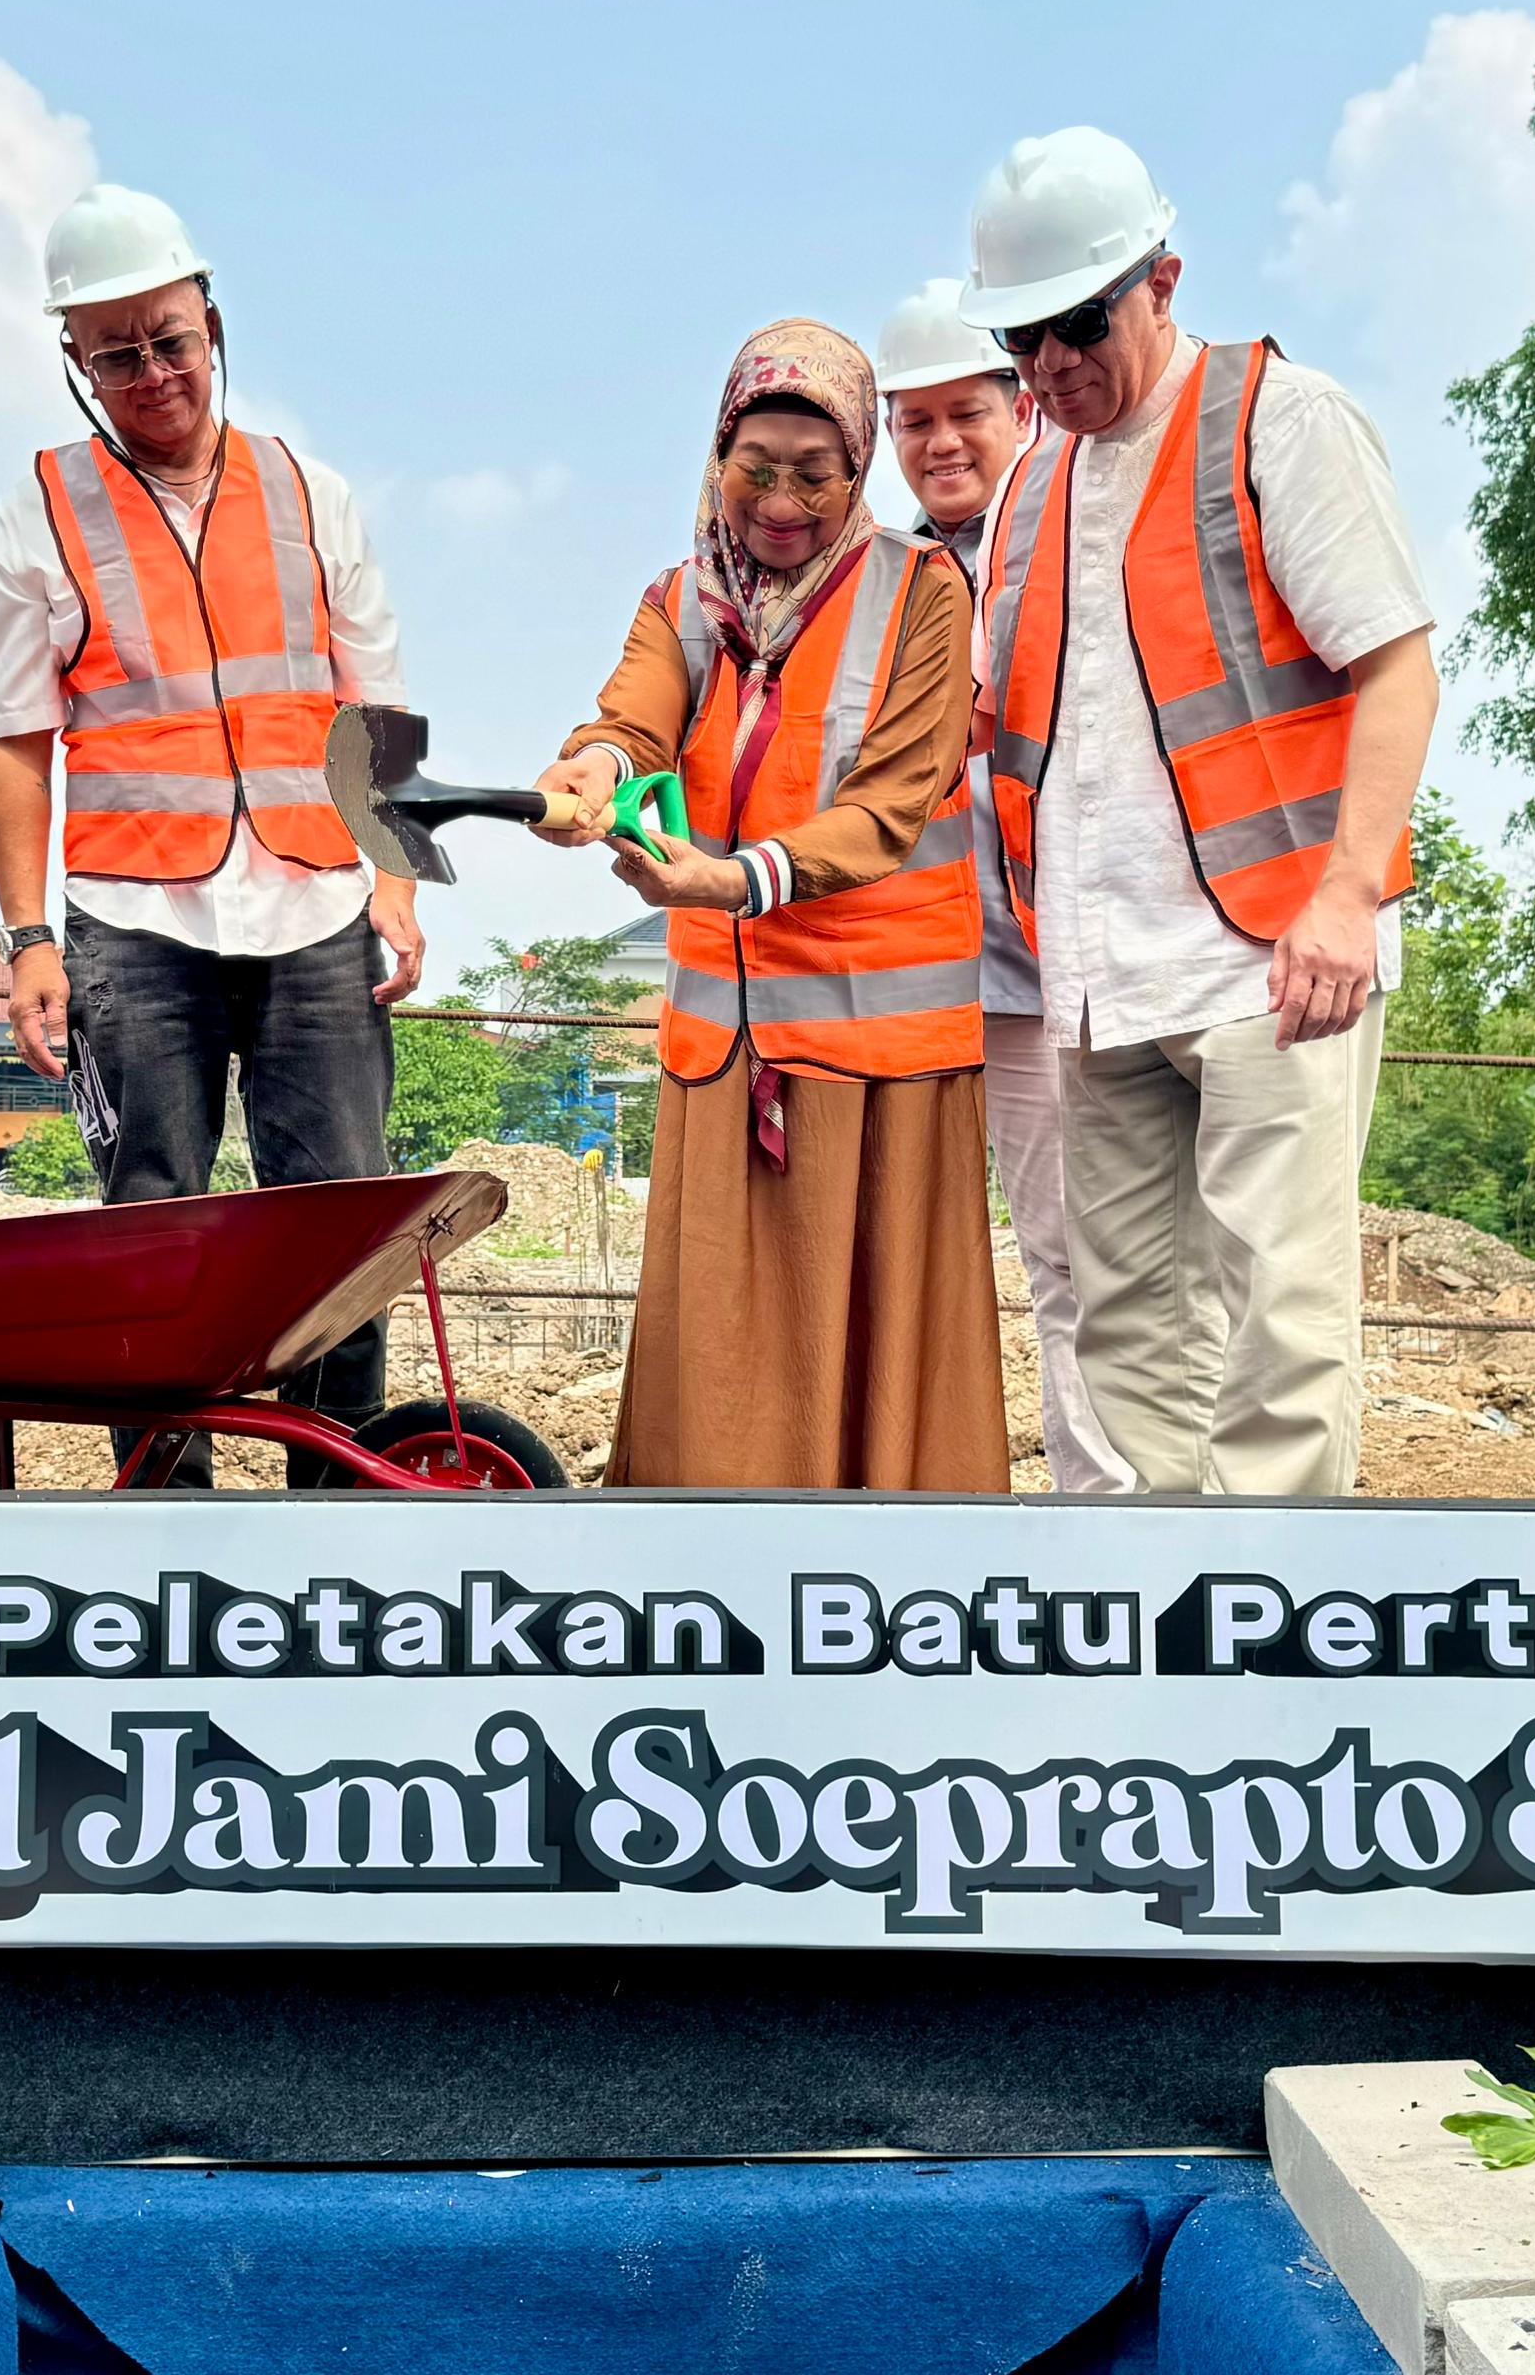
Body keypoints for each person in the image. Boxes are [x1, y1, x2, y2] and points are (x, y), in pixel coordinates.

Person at [964, 128, 1440, 1499]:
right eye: (1025, 340)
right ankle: (1174, 1635)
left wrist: (1346, 898)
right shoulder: (1033, 483)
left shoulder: (1277, 420)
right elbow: (1005, 721)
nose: (1051, 367)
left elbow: (1396, 666)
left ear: (1160, 280)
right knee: (1127, 1339)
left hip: (1270, 965)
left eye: (1077, 325)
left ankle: (1274, 1644)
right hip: (1102, 982)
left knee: (1279, 1329)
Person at [0, 185, 422, 1487]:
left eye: (168, 337)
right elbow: (8, 739)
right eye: (116, 351)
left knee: (337, 1220)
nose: (151, 373)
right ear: (74, 361)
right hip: (133, 923)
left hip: (319, 907)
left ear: (211, 321)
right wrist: (25, 939)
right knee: (156, 1223)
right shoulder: (37, 515)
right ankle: (167, 1517)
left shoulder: (312, 497)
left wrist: (396, 882)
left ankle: (334, 1508)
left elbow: (372, 704)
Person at [534, 318, 1003, 1491]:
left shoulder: (923, 589)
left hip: (880, 1062)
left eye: (814, 471)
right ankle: (718, 1604)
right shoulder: (682, 598)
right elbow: (628, 716)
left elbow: (893, 801)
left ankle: (892, 1612)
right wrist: (588, 771)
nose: (780, 500)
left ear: (857, 474)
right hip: (724, 1057)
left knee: (882, 1373)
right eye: (754, 467)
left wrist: (735, 880)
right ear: (713, 462)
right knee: (727, 1365)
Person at [876, 278, 1119, 1494]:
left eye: (962, 410)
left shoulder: (1076, 543)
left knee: (1074, 1257)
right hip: (909, 980)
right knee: (896, 1265)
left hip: (1040, 975)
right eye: (910, 421)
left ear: (1019, 405)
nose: (939, 442)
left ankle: (1101, 1514)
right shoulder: (877, 586)